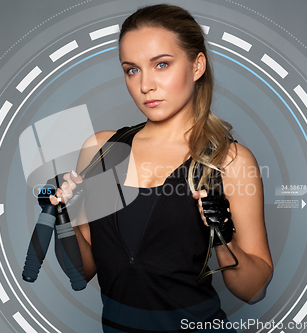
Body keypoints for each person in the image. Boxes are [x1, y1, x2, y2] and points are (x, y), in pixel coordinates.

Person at [48, 4, 273, 332]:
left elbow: (254, 291)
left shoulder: (229, 160)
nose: (145, 85)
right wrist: (60, 217)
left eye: (161, 65)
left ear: (197, 66)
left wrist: (222, 236)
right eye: (132, 70)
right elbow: (81, 271)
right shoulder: (101, 150)